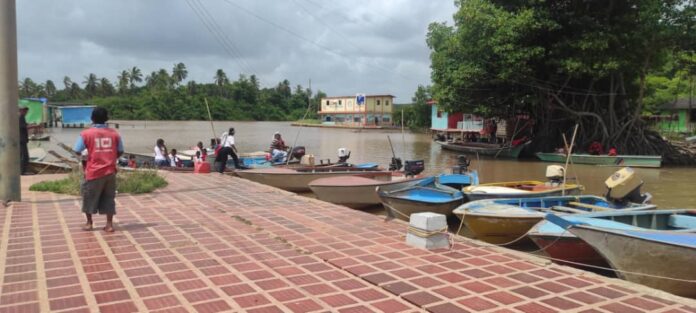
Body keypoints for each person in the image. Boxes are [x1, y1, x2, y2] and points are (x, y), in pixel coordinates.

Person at [73, 107, 123, 233]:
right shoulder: (115, 134)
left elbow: (77, 149)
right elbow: (121, 150)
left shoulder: (86, 134)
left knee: (88, 196)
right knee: (109, 197)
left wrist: (88, 156)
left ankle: (89, 223)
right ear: (107, 119)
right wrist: (111, 158)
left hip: (93, 171)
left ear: (92, 118)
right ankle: (109, 224)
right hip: (110, 171)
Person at [18, 105, 30, 175]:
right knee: (25, 157)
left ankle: (22, 171)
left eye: (26, 111)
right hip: (21, 140)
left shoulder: (21, 117)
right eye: (24, 110)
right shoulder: (20, 117)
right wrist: (34, 126)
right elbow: (23, 127)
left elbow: (24, 125)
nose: (25, 112)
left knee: (21, 156)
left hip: (22, 140)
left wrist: (29, 124)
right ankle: (22, 172)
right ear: (20, 110)